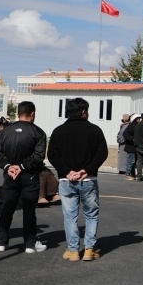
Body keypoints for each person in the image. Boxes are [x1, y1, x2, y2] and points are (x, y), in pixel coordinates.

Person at [47, 97, 109, 262]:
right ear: (83, 112)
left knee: (70, 216)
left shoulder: (58, 131)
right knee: (91, 215)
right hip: (88, 179)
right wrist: (86, 170)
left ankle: (73, 250)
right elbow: (102, 153)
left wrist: (67, 171)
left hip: (66, 180)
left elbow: (52, 155)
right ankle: (89, 249)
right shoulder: (95, 130)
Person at [0, 101, 47, 253]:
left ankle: (2, 241)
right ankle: (30, 243)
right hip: (29, 175)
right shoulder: (38, 132)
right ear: (32, 114)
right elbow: (38, 156)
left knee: (7, 207)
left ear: (17, 113)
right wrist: (22, 166)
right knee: (29, 210)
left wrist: (8, 166)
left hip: (9, 175)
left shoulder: (4, 132)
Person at [122, 113, 140, 179]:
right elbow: (125, 134)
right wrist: (132, 139)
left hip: (134, 147)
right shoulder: (132, 126)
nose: (139, 120)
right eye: (138, 119)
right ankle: (128, 174)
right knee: (130, 161)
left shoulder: (136, 126)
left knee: (133, 161)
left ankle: (132, 174)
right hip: (130, 147)